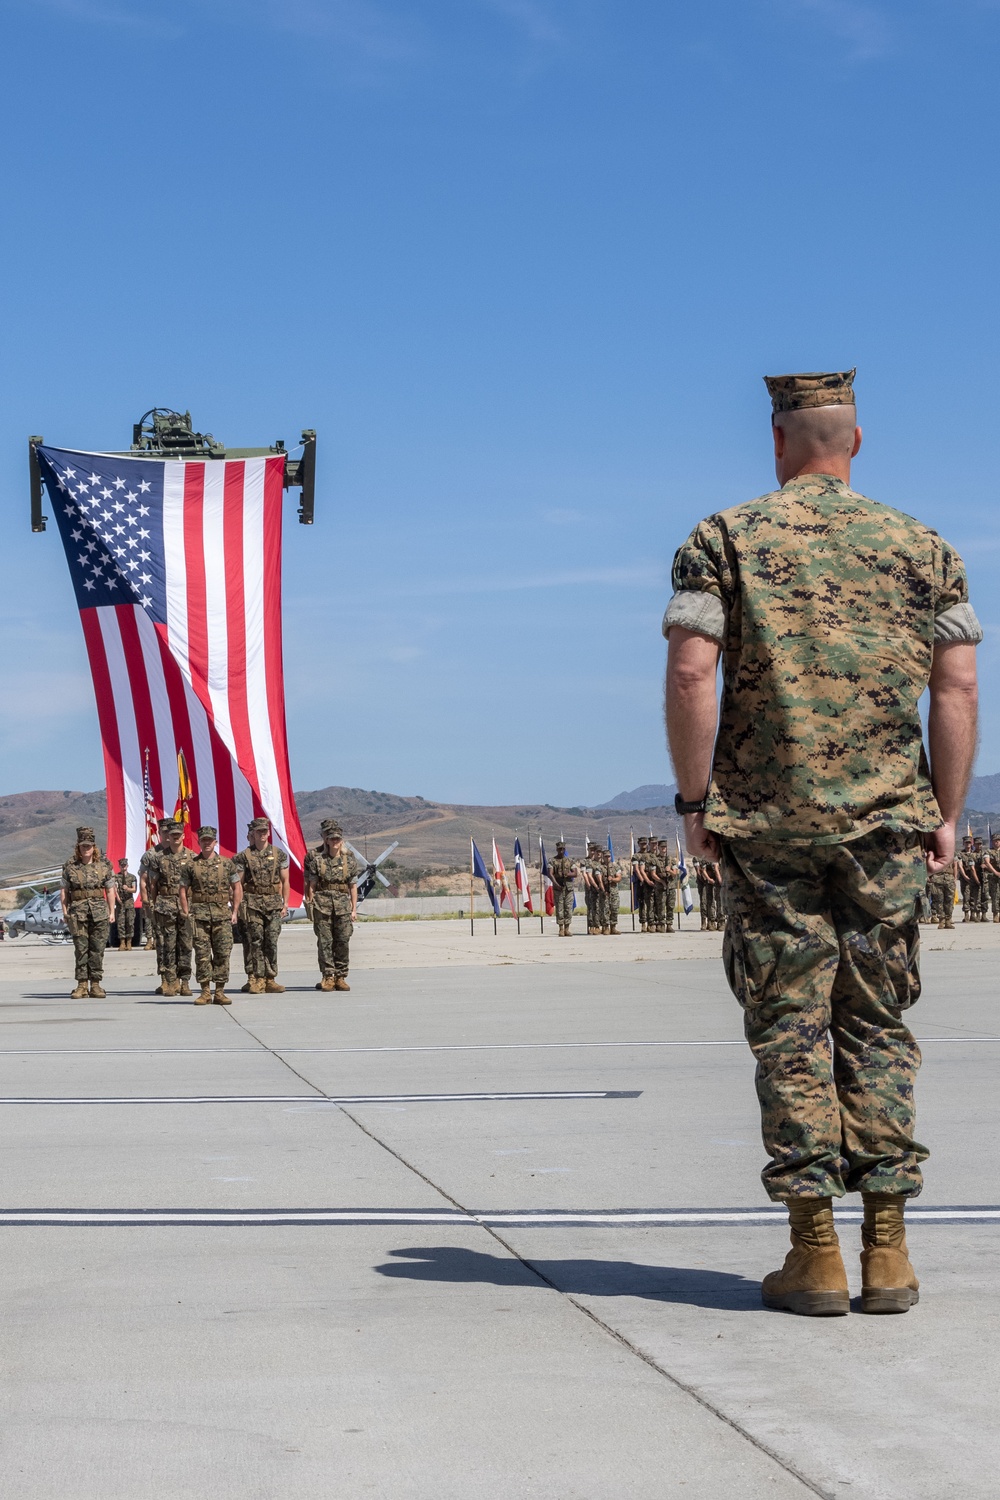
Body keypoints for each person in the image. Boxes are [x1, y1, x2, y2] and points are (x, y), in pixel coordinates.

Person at [664, 367, 981, 1317]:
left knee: (791, 1029)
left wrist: (695, 801)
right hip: (887, 825)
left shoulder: (722, 540)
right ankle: (889, 1252)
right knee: (877, 1024)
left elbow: (691, 674)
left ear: (777, 440)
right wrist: (947, 811)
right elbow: (958, 686)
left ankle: (816, 1256)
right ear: (856, 442)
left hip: (768, 831)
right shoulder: (926, 548)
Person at [183, 826, 242, 1004]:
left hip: (222, 916)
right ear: (199, 842)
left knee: (222, 953)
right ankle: (205, 992)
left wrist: (235, 911)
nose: (207, 843)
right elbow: (182, 889)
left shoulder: (227, 864)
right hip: (199, 917)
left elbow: (237, 887)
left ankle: (220, 992)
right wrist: (186, 912)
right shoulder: (191, 865)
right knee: (202, 954)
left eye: (210, 840)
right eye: (204, 840)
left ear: (215, 842)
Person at [232, 817, 290, 994]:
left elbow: (285, 881)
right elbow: (238, 884)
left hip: (273, 904)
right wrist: (238, 907)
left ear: (268, 832)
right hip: (252, 904)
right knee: (255, 941)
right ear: (253, 834)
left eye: (265, 831)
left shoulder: (279, 854)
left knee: (271, 941)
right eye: (259, 831)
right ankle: (257, 978)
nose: (262, 834)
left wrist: (285, 904)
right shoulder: (243, 856)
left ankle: (270, 978)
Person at [60, 826, 116, 998]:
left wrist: (111, 911)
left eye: (89, 846)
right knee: (81, 949)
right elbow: (64, 891)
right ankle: (82, 985)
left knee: (97, 949)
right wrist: (65, 911)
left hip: (99, 912)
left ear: (94, 847)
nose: (86, 849)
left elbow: (110, 890)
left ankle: (96, 984)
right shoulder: (70, 867)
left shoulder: (104, 866)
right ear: (78, 847)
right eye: (83, 845)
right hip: (78, 913)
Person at [304, 819, 359, 991]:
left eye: (338, 838)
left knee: (343, 941)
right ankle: (328, 976)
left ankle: (340, 976)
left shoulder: (349, 860)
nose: (335, 841)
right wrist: (310, 904)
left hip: (342, 907)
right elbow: (310, 884)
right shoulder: (316, 859)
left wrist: (354, 909)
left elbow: (353, 886)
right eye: (331, 838)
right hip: (322, 906)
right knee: (325, 942)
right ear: (326, 839)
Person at [148, 821, 195, 997]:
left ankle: (185, 982)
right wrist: (153, 905)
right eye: (172, 834)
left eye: (178, 834)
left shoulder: (192, 857)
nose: (175, 837)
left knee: (186, 944)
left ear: (183, 836)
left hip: (186, 906)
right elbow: (153, 885)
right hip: (165, 905)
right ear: (168, 836)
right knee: (168, 945)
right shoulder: (159, 858)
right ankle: (170, 981)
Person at [550, 842, 577, 936]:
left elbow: (575, 873)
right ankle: (561, 928)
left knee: (568, 908)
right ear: (557, 849)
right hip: (558, 888)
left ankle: (567, 929)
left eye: (563, 849)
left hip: (568, 888)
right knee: (559, 908)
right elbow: (550, 874)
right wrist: (556, 884)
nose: (561, 851)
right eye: (559, 849)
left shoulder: (569, 861)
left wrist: (567, 874)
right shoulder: (552, 861)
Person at [115, 857, 137, 950]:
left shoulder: (132, 877)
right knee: (121, 923)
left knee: (130, 922)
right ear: (119, 866)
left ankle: (129, 942)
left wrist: (127, 889)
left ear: (127, 866)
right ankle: (122, 942)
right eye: (122, 865)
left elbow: (134, 890)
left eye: (124, 865)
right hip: (120, 903)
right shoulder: (116, 877)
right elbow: (114, 889)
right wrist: (118, 898)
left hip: (129, 902)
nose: (123, 867)